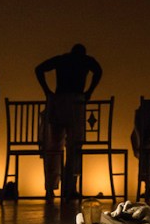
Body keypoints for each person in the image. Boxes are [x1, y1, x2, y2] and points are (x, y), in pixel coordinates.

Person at [35, 43, 103, 200]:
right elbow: (98, 71)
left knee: (53, 147)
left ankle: (51, 189)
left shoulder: (62, 60)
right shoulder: (85, 60)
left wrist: (47, 91)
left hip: (59, 100)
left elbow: (39, 69)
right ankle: (70, 188)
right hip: (76, 101)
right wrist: (89, 91)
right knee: (75, 146)